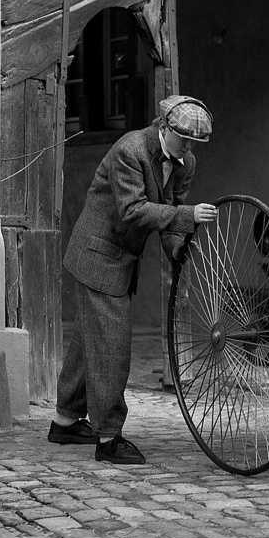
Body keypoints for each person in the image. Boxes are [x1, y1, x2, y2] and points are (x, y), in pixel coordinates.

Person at [48, 95, 219, 464]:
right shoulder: (130, 150)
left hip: (121, 257)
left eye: (196, 143)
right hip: (98, 255)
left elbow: (171, 209)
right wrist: (186, 216)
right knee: (111, 347)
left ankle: (64, 421)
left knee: (89, 341)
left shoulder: (184, 161)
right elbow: (133, 211)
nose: (189, 148)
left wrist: (177, 249)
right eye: (184, 139)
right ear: (164, 128)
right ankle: (109, 438)